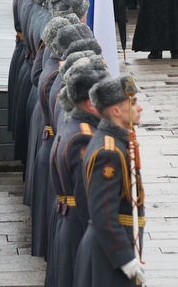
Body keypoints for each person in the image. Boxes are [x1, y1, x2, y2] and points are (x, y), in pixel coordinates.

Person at [73, 75, 146, 287]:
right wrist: (125, 259)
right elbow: (103, 213)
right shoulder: (109, 152)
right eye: (132, 103)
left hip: (113, 248)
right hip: (108, 257)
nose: (139, 108)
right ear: (116, 111)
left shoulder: (114, 140)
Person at [46, 55, 108, 287]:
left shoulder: (73, 126)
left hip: (67, 220)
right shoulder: (84, 136)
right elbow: (85, 196)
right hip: (77, 225)